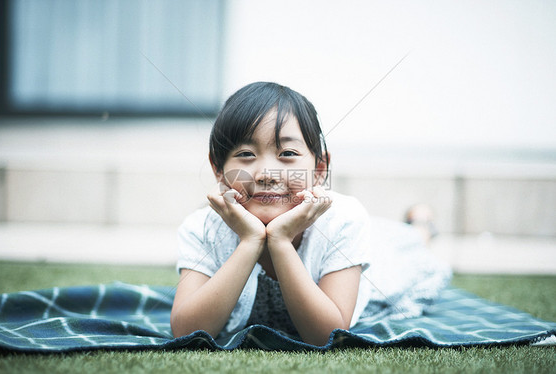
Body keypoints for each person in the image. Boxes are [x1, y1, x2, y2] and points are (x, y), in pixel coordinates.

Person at [170, 82, 449, 346]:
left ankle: (421, 224)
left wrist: (279, 241)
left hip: (378, 264)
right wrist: (250, 241)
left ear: (319, 168)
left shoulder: (344, 220)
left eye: (288, 153)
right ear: (218, 168)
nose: (267, 173)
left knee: (407, 249)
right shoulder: (201, 227)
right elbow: (186, 332)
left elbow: (327, 335)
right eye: (245, 153)